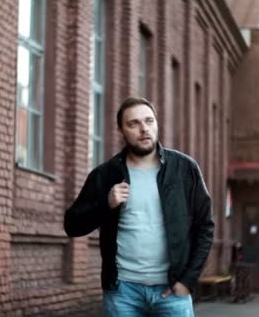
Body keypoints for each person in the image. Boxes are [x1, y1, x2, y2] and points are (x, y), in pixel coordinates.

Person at [64, 97, 214, 316]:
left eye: (149, 121)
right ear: (121, 131)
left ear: (156, 124)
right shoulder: (106, 174)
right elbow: (72, 225)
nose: (144, 129)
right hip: (123, 292)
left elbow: (205, 227)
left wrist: (187, 281)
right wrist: (106, 203)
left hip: (172, 291)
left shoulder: (184, 169)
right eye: (133, 124)